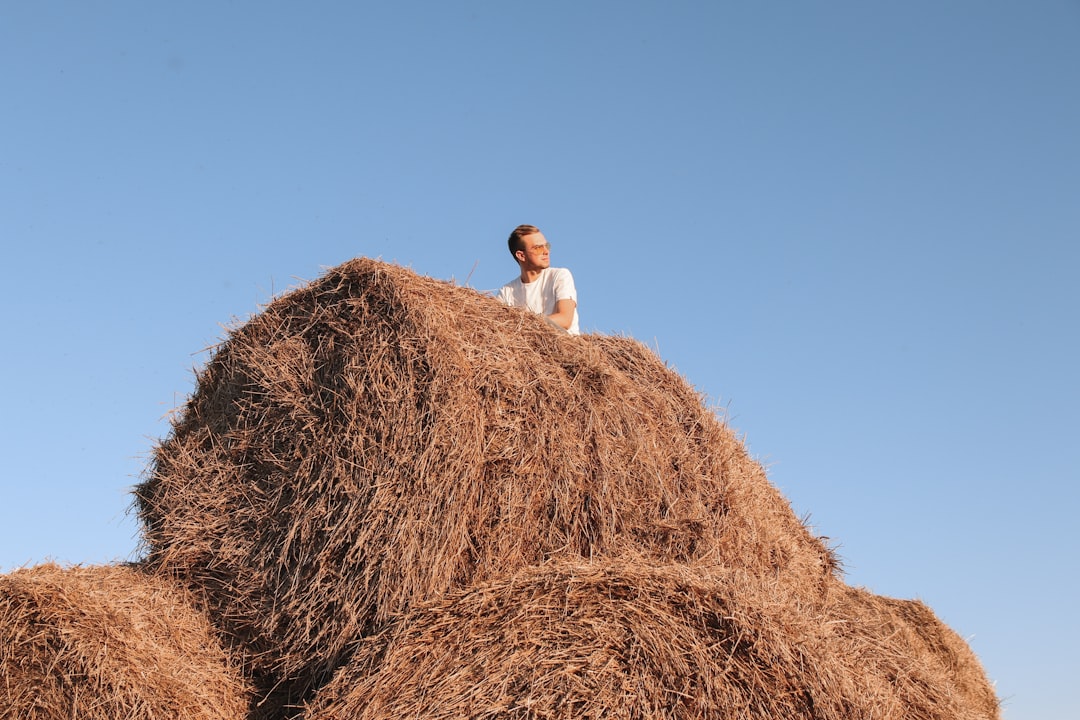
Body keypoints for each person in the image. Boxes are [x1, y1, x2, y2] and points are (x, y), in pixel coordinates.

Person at [497, 224, 580, 334]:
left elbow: (565, 319)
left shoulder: (560, 276)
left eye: (547, 246)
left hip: (563, 347)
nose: (546, 251)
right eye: (538, 248)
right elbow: (498, 327)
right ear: (521, 255)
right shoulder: (506, 292)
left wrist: (526, 324)